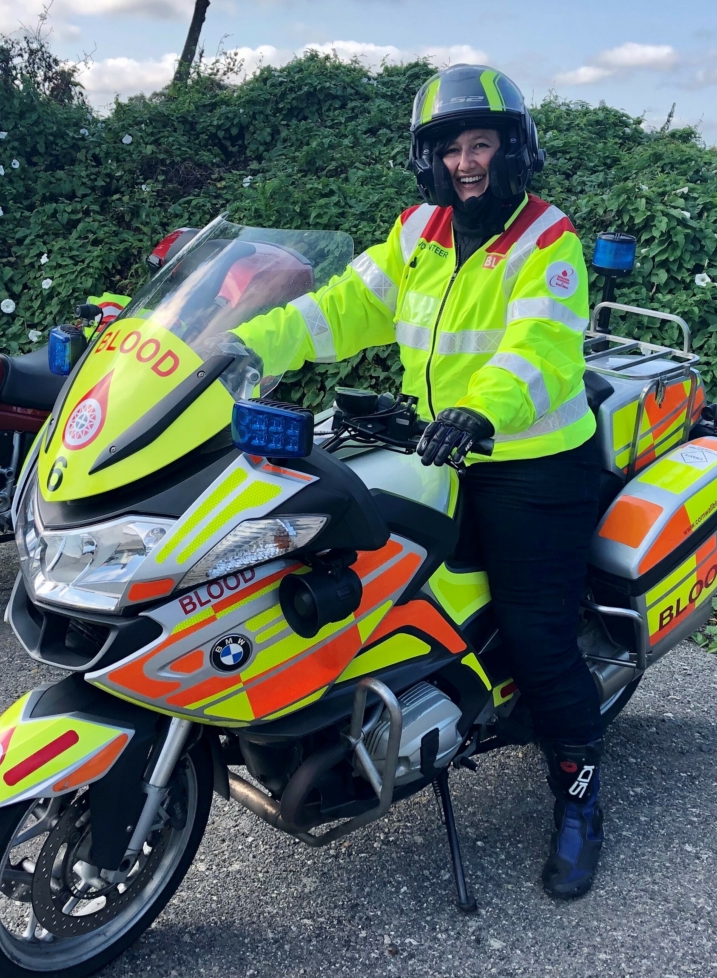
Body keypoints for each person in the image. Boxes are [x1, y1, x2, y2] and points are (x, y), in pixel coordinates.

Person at [234, 64, 604, 899]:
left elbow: (539, 352)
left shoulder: (549, 240)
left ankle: (579, 799)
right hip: (436, 449)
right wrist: (243, 348)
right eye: (450, 150)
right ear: (427, 162)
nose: (465, 163)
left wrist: (482, 411)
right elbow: (335, 311)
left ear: (515, 151)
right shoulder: (418, 234)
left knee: (539, 636)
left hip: (531, 462)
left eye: (481, 145)